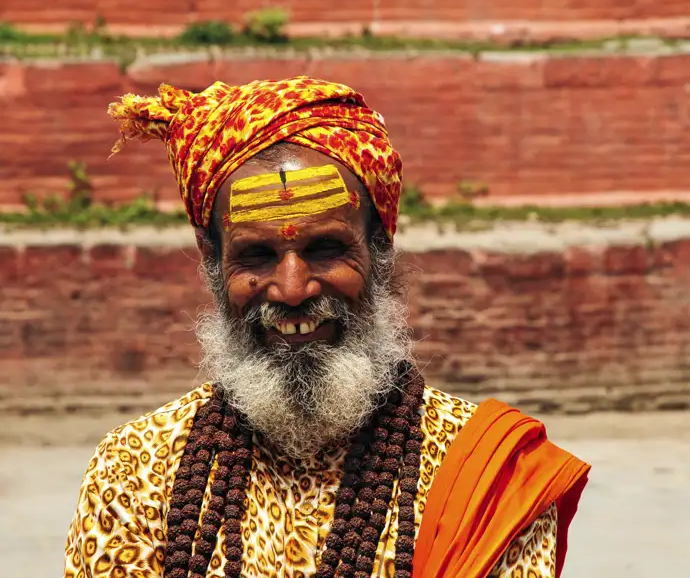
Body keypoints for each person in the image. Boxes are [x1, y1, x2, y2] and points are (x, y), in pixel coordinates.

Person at [63, 77, 590, 578]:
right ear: (212, 262)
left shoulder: (491, 480)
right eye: (257, 256)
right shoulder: (136, 472)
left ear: (380, 250)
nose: (292, 289)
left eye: (325, 249)